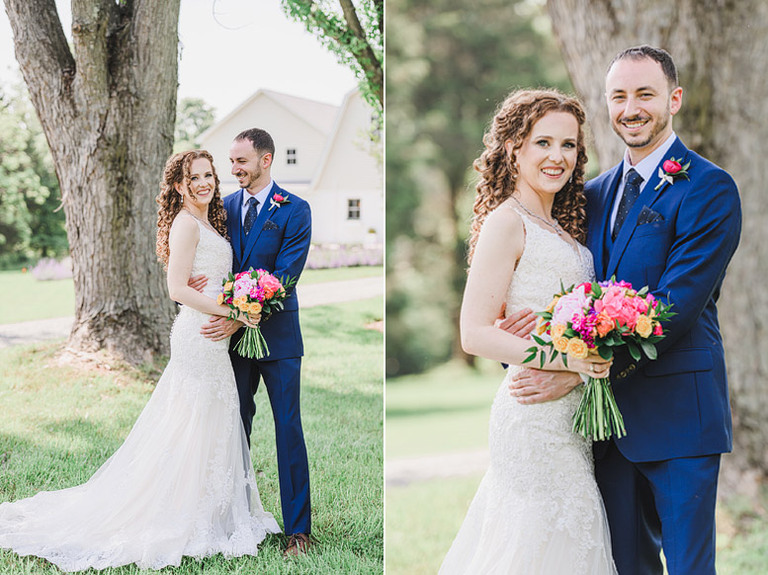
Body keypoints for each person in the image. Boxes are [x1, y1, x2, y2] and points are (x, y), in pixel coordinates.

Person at [507, 46, 742, 575]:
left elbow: (674, 309)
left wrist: (575, 373)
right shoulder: (590, 193)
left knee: (687, 568)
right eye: (619, 96)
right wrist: (533, 339)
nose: (630, 107)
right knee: (623, 567)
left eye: (644, 94)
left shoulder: (709, 188)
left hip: (681, 416)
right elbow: (561, 287)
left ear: (673, 99)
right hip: (603, 429)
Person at [0, 150, 280, 571]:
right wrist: (236, 312)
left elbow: (200, 278)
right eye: (194, 177)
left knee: (208, 421)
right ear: (179, 186)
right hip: (197, 336)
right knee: (193, 420)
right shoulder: (187, 224)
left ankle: (210, 510)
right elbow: (176, 290)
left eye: (209, 175)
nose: (204, 183)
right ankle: (182, 514)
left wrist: (234, 301)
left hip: (212, 337)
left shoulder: (208, 221)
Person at [438, 89, 617, 574]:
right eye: (543, 143)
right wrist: (571, 360)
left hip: (572, 421)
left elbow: (557, 314)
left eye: (569, 145)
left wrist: (565, 341)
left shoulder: (564, 229)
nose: (558, 156)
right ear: (514, 147)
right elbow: (474, 333)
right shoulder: (506, 222)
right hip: (533, 418)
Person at [198, 128, 313, 557]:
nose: (233, 169)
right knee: (234, 425)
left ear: (266, 160)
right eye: (231, 162)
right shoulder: (222, 209)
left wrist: (240, 318)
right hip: (231, 342)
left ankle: (298, 531)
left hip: (279, 338)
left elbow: (285, 276)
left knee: (288, 430)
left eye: (241, 161)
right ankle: (235, 518)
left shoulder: (295, 209)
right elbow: (209, 256)